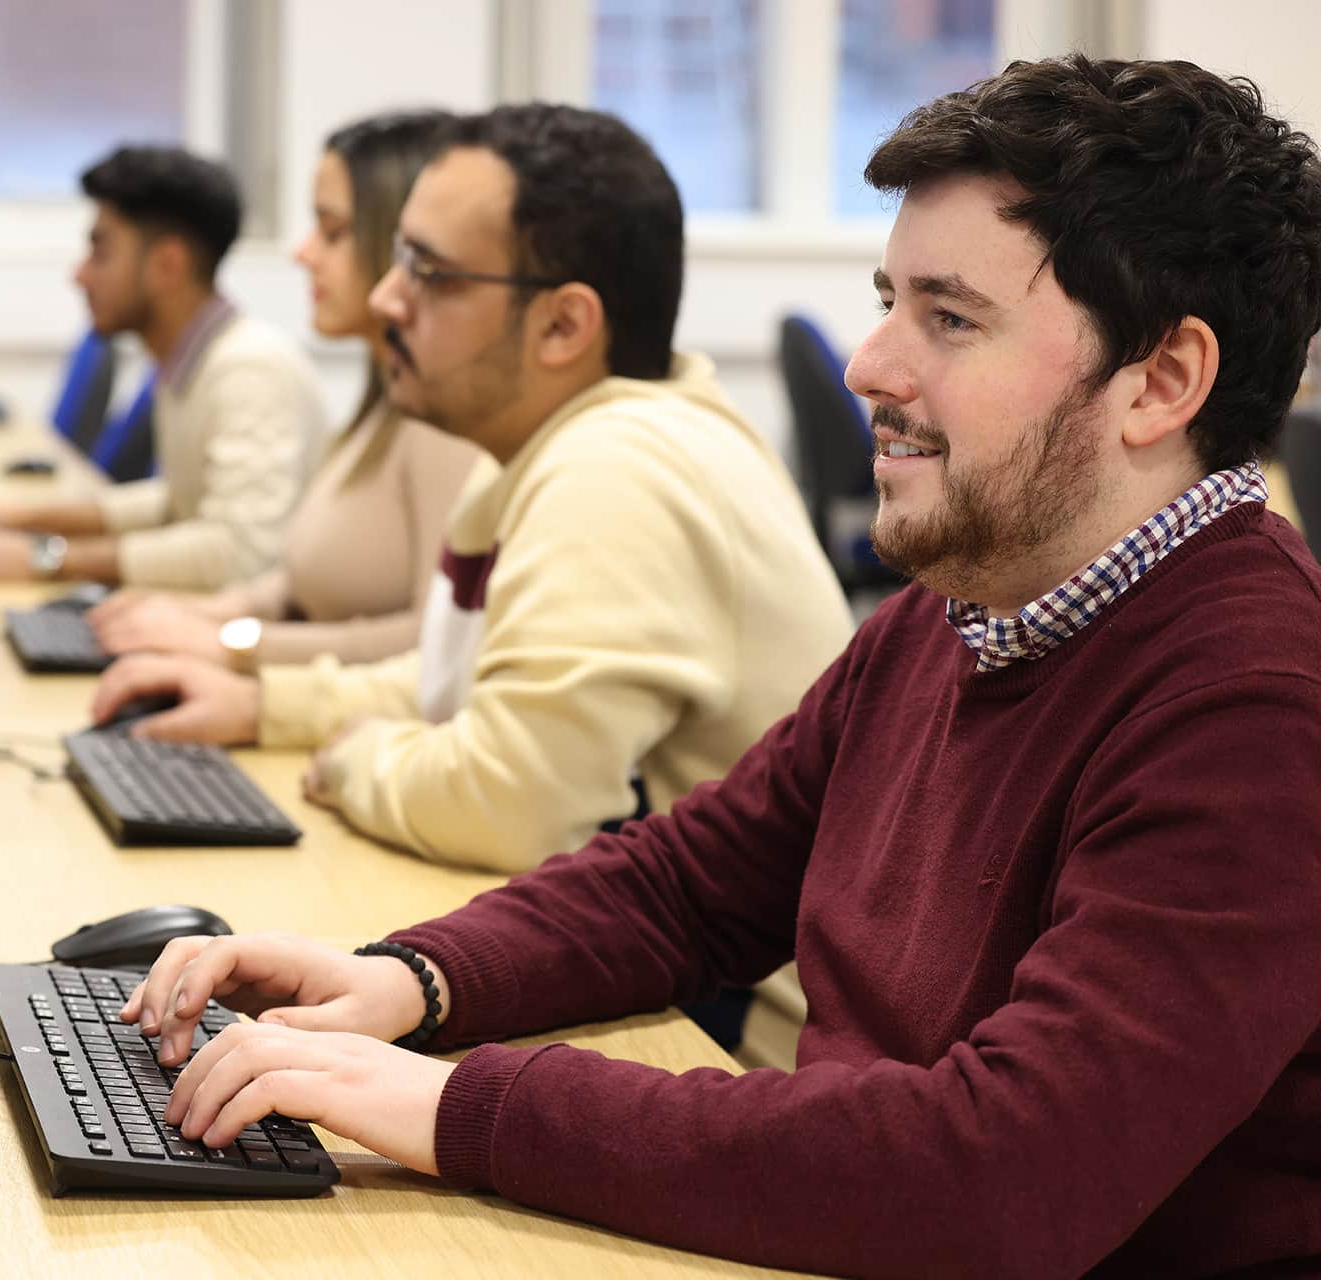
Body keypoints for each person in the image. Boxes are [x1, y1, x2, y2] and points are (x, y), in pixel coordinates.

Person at [113, 57, 1321, 1277]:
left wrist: (445, 1103)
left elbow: (1002, 1170)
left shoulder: (1256, 707)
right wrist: (407, 980)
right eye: (888, 300)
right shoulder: (967, 605)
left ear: (1162, 383)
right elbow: (687, 885)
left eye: (948, 318)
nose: (870, 365)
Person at [89, 104, 853, 872]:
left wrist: (356, 760)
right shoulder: (536, 445)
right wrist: (268, 709)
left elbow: (509, 808)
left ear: (562, 326)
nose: (390, 298)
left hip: (731, 993)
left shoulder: (620, 468)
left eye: (429, 272)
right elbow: (453, 685)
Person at [87, 111, 482, 668]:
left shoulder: (446, 423)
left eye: (333, 231)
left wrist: (231, 644)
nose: (303, 253)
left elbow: (433, 645)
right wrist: (212, 615)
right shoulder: (381, 401)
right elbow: (296, 582)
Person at [0, 145, 326, 589]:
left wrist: (45, 557)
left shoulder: (249, 370)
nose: (80, 275)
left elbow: (241, 553)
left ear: (167, 265)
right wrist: (13, 517)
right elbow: (179, 504)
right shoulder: (195, 358)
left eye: (101, 253)